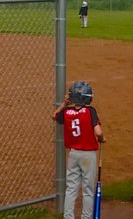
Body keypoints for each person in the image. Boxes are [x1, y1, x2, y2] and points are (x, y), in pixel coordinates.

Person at [53, 80, 105, 219]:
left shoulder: (66, 112)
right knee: (87, 189)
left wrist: (64, 104)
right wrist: (101, 138)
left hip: (74, 154)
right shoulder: (90, 111)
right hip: (88, 155)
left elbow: (55, 115)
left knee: (71, 188)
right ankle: (86, 217)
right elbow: (98, 132)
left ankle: (68, 217)